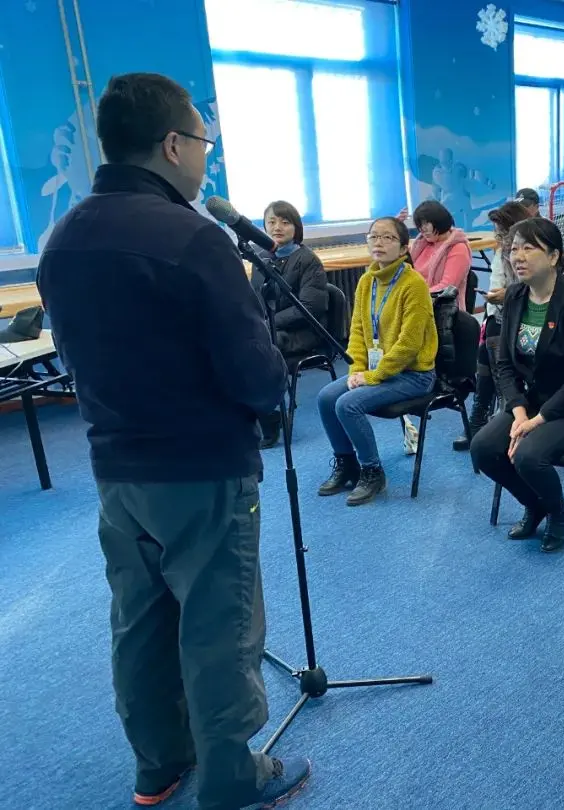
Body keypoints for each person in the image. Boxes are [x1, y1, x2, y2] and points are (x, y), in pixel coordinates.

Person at [35, 72, 309, 810]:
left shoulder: (62, 239)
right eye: (205, 143)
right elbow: (254, 372)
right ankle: (230, 777)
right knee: (220, 624)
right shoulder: (194, 237)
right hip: (203, 470)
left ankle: (157, 767)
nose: (207, 160)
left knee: (142, 622)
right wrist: (271, 389)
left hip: (116, 472)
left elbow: (73, 359)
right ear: (172, 143)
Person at [471, 218, 564, 553]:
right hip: (535, 401)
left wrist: (536, 422)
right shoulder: (515, 296)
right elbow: (504, 364)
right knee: (483, 449)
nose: (517, 256)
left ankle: (558, 512)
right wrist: (519, 412)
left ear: (553, 257)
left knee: (527, 455)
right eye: (513, 248)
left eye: (529, 248)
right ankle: (536, 504)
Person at [316, 216, 438, 505]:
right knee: (325, 397)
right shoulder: (366, 282)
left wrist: (371, 377)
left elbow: (408, 345)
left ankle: (372, 471)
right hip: (378, 370)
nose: (379, 243)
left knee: (348, 403)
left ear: (404, 248)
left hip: (413, 374)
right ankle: (347, 465)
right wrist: (358, 370)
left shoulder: (414, 284)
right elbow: (357, 331)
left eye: (387, 238)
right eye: (373, 237)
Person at [453, 200, 531, 451]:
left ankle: (493, 419)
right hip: (501, 316)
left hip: (528, 319)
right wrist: (497, 299)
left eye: (502, 231)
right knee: (487, 346)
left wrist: (504, 296)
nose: (498, 236)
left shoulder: (532, 253)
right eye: (496, 231)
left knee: (493, 344)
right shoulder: (501, 253)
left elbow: (534, 290)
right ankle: (480, 418)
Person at [252, 200, 329, 449]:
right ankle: (257, 408)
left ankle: (271, 415)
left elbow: (309, 307)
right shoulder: (260, 256)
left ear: (296, 227)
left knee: (259, 351)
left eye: (285, 222)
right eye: (271, 222)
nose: (277, 227)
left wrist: (268, 323)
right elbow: (256, 298)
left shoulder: (308, 260)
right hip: (270, 329)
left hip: (303, 333)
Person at [410, 199, 472, 311]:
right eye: (420, 225)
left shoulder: (458, 248)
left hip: (442, 309)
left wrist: (413, 297)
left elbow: (447, 287)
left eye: (427, 223)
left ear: (440, 220)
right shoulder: (420, 245)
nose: (423, 229)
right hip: (417, 304)